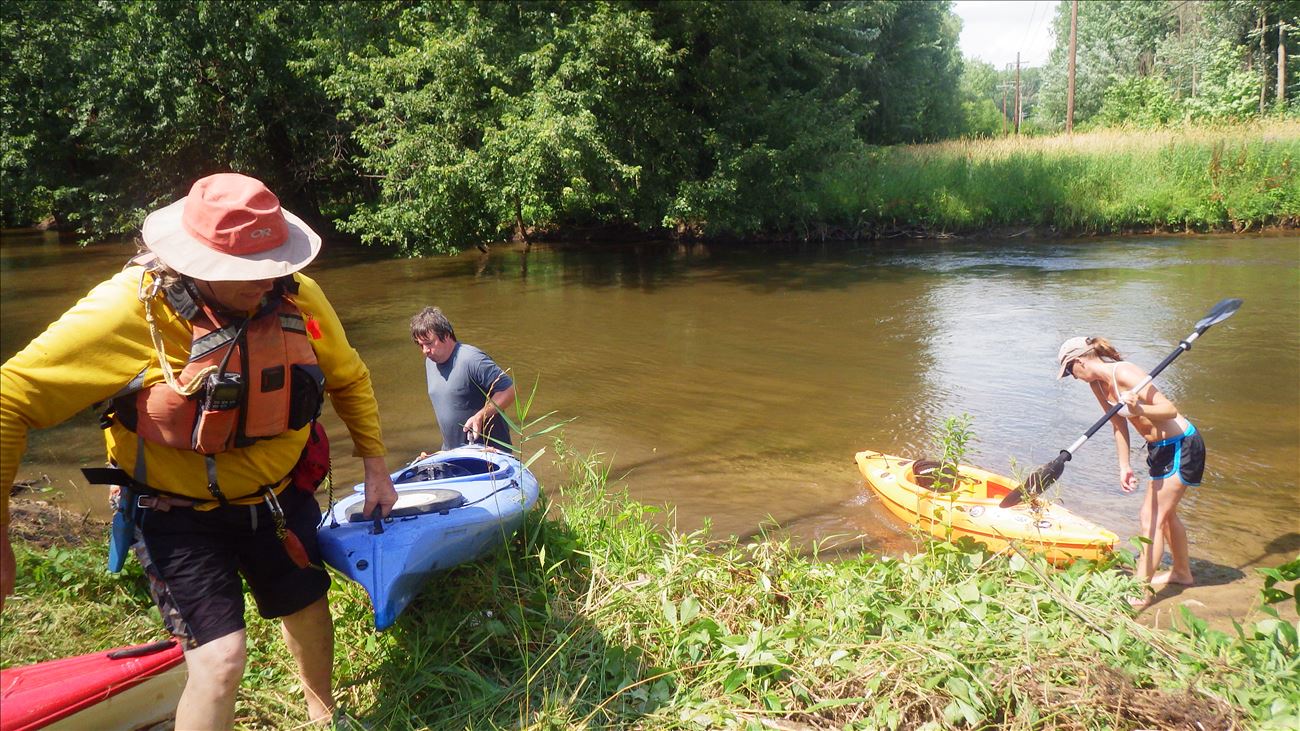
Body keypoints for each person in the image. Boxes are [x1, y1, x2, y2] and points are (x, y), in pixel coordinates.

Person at [0, 173, 398, 728]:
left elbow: (350, 379)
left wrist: (376, 468)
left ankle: (323, 715)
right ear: (195, 264)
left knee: (306, 605)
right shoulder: (130, 311)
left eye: (274, 266)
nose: (268, 282)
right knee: (221, 659)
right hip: (176, 514)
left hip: (277, 501)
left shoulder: (292, 292)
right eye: (247, 274)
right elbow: (10, 397)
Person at [1056, 335, 1204, 608]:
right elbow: (1118, 424)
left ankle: (1141, 589)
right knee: (1165, 516)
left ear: (1080, 361)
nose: (1072, 377)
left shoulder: (1124, 372)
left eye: (1070, 370)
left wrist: (1138, 407)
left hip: (1181, 444)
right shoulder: (1098, 386)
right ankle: (1182, 573)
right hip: (1158, 449)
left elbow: (1169, 410)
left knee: (1151, 517)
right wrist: (1123, 466)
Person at [410, 307, 516, 451]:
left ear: (446, 335)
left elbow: (508, 391)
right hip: (453, 453)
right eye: (420, 345)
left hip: (489, 453)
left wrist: (480, 416)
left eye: (429, 343)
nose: (425, 351)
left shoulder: (472, 360)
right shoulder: (430, 362)